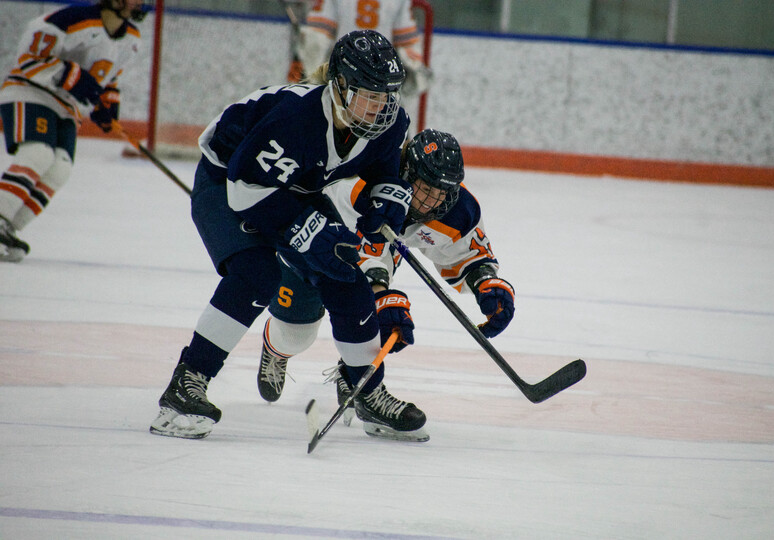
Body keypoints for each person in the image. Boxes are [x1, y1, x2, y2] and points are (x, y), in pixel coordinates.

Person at [150, 30, 416, 440]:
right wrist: (307, 231)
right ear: (341, 87)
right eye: (370, 94)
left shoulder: (390, 123)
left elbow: (384, 174)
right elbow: (246, 191)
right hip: (228, 183)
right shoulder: (298, 117)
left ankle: (368, 391)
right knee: (257, 274)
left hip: (293, 187)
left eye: (388, 95)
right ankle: (186, 385)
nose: (382, 106)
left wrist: (388, 201)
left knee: (348, 272)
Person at [257, 129, 516, 442]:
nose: (434, 201)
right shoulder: (361, 183)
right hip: (311, 250)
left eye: (444, 192)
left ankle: (359, 382)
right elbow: (347, 249)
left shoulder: (453, 206)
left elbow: (467, 252)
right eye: (427, 189)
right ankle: (276, 346)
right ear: (406, 172)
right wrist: (379, 292)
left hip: (377, 255)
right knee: (296, 335)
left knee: (377, 314)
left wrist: (486, 281)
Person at [0, 0, 149, 262]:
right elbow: (30, 58)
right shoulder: (70, 20)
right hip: (30, 91)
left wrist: (107, 104)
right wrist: (72, 76)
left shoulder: (132, 39)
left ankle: (9, 227)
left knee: (60, 169)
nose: (141, 2)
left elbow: (109, 78)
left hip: (67, 106)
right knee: (37, 155)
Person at [293, 0, 432, 128]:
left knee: (325, 131)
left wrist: (312, 79)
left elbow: (316, 40)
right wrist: (411, 77)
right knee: (392, 136)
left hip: (343, 83)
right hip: (382, 86)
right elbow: (407, 46)